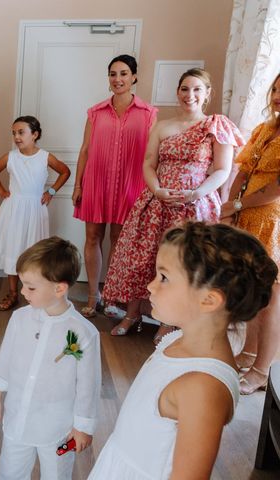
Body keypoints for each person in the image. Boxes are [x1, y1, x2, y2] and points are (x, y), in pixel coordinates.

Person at [88, 222, 277, 479]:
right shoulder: (175, 340)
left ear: (208, 300)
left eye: (164, 277)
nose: (151, 286)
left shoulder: (203, 388)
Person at [102, 68, 244, 342]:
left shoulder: (216, 126)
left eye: (196, 89)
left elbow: (222, 170)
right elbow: (148, 163)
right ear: (177, 92)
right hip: (157, 203)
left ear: (206, 94)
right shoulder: (162, 125)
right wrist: (156, 189)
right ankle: (132, 315)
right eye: (184, 89)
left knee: (181, 264)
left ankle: (169, 321)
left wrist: (196, 193)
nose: (189, 95)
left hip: (195, 207)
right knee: (142, 260)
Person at [0, 236, 101, 480]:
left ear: (59, 289)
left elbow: (88, 386)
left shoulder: (83, 333)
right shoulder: (20, 318)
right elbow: (5, 357)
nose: (22, 292)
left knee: (57, 474)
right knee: (10, 472)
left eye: (30, 287)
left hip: (57, 426)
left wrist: (83, 426)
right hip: (18, 417)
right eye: (22, 284)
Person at [72, 55, 157, 319]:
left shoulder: (149, 113)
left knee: (119, 243)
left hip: (130, 185)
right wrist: (78, 184)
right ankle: (92, 296)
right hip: (96, 182)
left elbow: (152, 155)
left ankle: (111, 297)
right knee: (92, 238)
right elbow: (85, 149)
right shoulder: (95, 112)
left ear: (133, 77)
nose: (117, 79)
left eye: (123, 73)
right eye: (112, 74)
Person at [220, 72, 280, 394]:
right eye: (276, 90)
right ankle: (249, 352)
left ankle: (262, 370)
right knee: (257, 291)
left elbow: (276, 188)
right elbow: (244, 169)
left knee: (272, 298)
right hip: (247, 216)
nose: (277, 97)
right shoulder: (265, 130)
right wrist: (230, 207)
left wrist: (239, 204)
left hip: (272, 220)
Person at [0, 116, 70, 310]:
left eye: (21, 132)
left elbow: (65, 171)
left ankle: (34, 291)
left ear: (35, 134)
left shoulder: (45, 157)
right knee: (14, 248)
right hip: (14, 208)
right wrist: (1, 191)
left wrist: (51, 191)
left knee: (33, 251)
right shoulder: (11, 157)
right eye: (14, 133)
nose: (16, 136)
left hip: (35, 209)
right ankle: (13, 292)